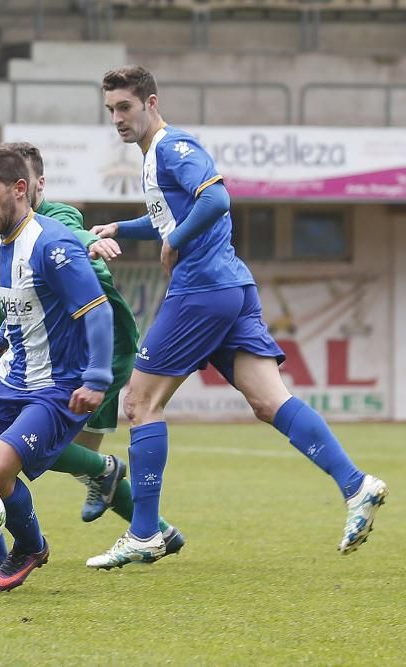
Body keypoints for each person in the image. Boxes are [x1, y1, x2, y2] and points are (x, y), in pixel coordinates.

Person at [85, 65, 387, 569]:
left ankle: (143, 533)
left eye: (125, 108)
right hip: (231, 288)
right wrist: (125, 225)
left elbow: (217, 198)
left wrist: (175, 242)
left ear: (151, 103)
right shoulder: (154, 156)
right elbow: (171, 215)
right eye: (111, 110)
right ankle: (356, 485)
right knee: (270, 402)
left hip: (203, 289)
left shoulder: (172, 147)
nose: (117, 118)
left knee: (138, 404)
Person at [0, 142, 184, 554]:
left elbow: (72, 232)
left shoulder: (56, 217)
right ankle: (158, 529)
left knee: (41, 447)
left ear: (34, 185)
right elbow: (33, 311)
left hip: (98, 351)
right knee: (47, 449)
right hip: (63, 355)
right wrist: (1, 325)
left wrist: (90, 240)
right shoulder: (9, 236)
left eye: (19, 184)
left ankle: (110, 484)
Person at [0, 145, 113, 592]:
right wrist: (1, 336)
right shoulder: (2, 242)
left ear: (20, 189)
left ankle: (31, 547)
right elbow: (28, 305)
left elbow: (96, 311)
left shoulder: (54, 243)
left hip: (57, 384)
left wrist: (97, 378)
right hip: (11, 376)